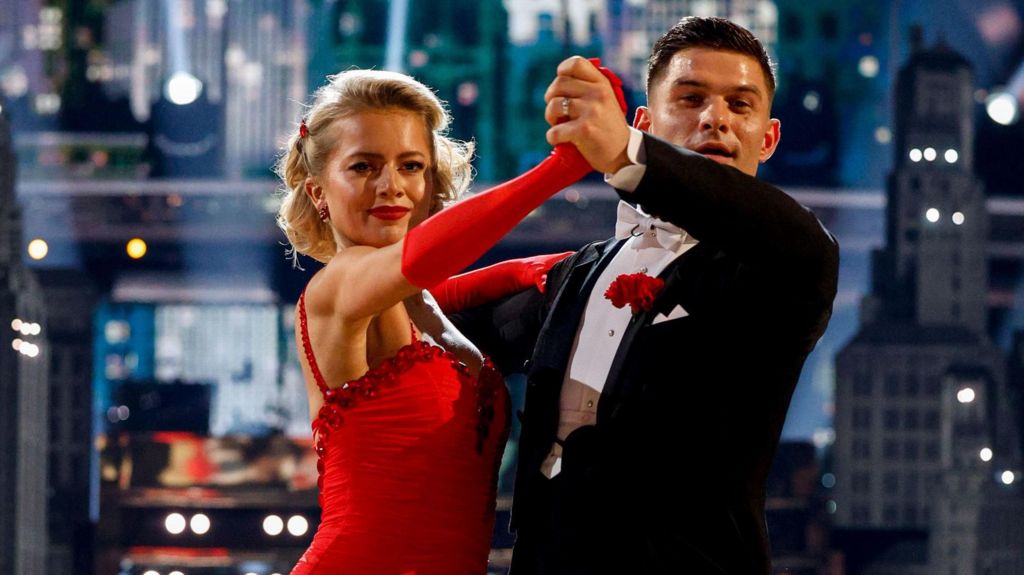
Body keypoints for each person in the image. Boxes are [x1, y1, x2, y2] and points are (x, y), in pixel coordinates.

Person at [450, 16, 840, 575]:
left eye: (739, 105)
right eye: (691, 98)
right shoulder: (574, 275)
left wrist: (624, 154)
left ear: (769, 137)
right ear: (645, 118)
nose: (715, 119)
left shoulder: (783, 268)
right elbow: (439, 335)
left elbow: (792, 236)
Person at [275, 68, 605, 574]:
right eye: (363, 166)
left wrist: (524, 269)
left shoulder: (417, 303)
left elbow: (449, 286)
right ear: (318, 191)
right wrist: (563, 167)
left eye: (411, 166)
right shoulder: (337, 285)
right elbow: (431, 260)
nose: (392, 186)